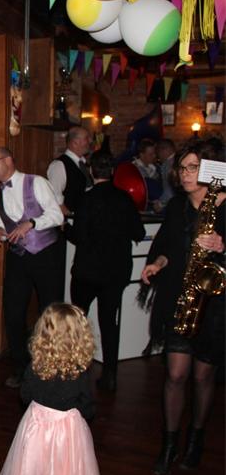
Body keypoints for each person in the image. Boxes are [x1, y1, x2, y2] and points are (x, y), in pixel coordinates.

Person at [141, 140, 225, 475]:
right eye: (182, 168)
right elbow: (165, 247)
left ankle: (196, 438)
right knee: (175, 375)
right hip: (180, 299)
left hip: (215, 305)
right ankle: (169, 444)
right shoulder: (178, 206)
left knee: (203, 377)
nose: (185, 174)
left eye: (193, 167)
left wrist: (222, 244)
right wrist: (157, 264)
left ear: (211, 170)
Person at [0, 146, 65, 388]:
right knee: (13, 312)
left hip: (45, 254)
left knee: (50, 311)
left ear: (9, 160)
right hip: (17, 257)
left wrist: (32, 223)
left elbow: (57, 216)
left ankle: (52, 367)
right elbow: (0, 224)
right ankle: (20, 368)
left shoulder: (36, 182)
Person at [66, 151, 145, 392]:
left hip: (87, 271)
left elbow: (79, 236)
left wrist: (63, 228)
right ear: (112, 172)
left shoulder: (86, 199)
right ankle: (110, 374)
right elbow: (139, 232)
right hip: (115, 271)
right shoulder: (124, 199)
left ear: (92, 171)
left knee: (79, 319)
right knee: (109, 323)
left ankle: (77, 368)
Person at [0, 303, 99, 475]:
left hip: (37, 427)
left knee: (32, 466)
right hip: (67, 432)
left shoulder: (34, 367)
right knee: (66, 468)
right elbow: (87, 406)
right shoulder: (78, 373)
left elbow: (25, 395)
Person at [46, 126, 93, 217]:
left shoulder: (83, 163)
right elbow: (55, 197)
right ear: (75, 143)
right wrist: (70, 216)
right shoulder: (59, 165)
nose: (90, 141)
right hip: (72, 220)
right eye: (86, 138)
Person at [133, 138, 164, 209]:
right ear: (141, 155)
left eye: (154, 153)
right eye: (151, 154)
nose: (154, 156)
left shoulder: (156, 167)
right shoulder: (134, 169)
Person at [155, 138, 176, 211]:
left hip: (173, 204)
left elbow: (169, 188)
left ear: (164, 150)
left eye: (158, 153)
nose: (158, 157)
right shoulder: (181, 160)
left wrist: (160, 204)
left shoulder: (167, 165)